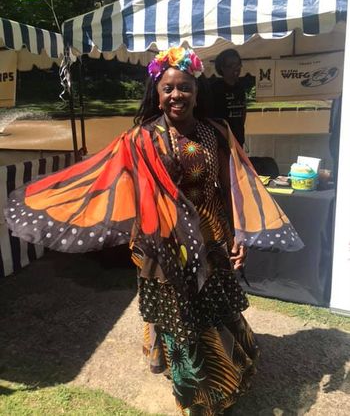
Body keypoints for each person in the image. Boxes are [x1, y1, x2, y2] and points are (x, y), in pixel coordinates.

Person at [5, 47, 303, 415]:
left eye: (184, 87)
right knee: (179, 313)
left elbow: (233, 187)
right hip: (163, 244)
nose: (176, 95)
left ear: (197, 90)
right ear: (157, 94)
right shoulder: (139, 139)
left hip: (210, 237)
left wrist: (237, 232)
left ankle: (228, 371)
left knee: (214, 307)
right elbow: (109, 180)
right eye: (167, 88)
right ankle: (196, 394)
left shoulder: (218, 132)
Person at [210, 49, 254, 148]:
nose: (236, 68)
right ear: (222, 68)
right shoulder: (215, 88)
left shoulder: (240, 88)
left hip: (238, 140)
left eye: (238, 64)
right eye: (231, 65)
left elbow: (243, 111)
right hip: (220, 142)